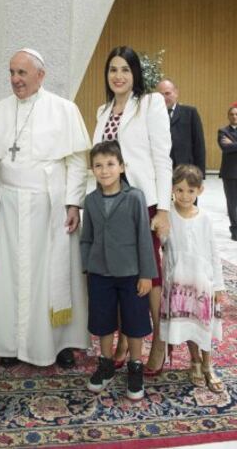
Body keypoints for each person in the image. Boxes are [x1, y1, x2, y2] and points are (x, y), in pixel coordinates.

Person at [0, 48, 91, 368]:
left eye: (22, 73)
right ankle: (11, 342)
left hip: (50, 204)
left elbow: (76, 162)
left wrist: (72, 202)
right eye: (12, 72)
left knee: (55, 274)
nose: (15, 79)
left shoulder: (64, 110)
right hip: (10, 204)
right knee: (11, 275)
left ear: (40, 75)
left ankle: (60, 343)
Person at [93, 46, 172, 375]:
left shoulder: (150, 103)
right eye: (113, 69)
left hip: (142, 202)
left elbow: (161, 157)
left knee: (149, 274)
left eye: (125, 69)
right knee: (120, 273)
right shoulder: (102, 110)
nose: (119, 76)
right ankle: (126, 339)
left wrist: (164, 208)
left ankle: (159, 342)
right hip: (110, 204)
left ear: (135, 73)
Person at [80, 141, 157, 400]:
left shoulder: (135, 197)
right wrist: (86, 267)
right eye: (98, 166)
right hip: (100, 272)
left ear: (122, 166)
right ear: (92, 169)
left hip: (131, 273)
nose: (105, 170)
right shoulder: (90, 201)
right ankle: (106, 363)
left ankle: (135, 364)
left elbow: (144, 239)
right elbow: (86, 237)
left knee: (134, 321)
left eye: (110, 164)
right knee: (102, 321)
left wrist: (147, 274)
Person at [160, 165, 225, 393]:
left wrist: (218, 286)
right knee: (188, 326)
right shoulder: (167, 215)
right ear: (171, 190)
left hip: (202, 283)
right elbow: (164, 245)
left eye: (190, 191)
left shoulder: (205, 218)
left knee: (203, 325)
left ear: (200, 190)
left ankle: (208, 364)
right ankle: (194, 361)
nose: (184, 196)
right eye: (179, 190)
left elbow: (214, 252)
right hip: (179, 284)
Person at [157, 78, 206, 176]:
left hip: (185, 169)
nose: (164, 97)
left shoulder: (190, 112)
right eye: (160, 94)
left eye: (167, 93)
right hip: (161, 169)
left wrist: (200, 173)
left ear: (176, 93)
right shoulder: (152, 115)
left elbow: (199, 144)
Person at [218, 103, 237, 241]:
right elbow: (226, 148)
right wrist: (230, 145)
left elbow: (231, 147)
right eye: (232, 114)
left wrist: (233, 144)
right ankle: (235, 231)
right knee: (232, 204)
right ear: (228, 116)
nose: (234, 116)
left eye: (236, 114)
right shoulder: (223, 131)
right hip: (230, 173)